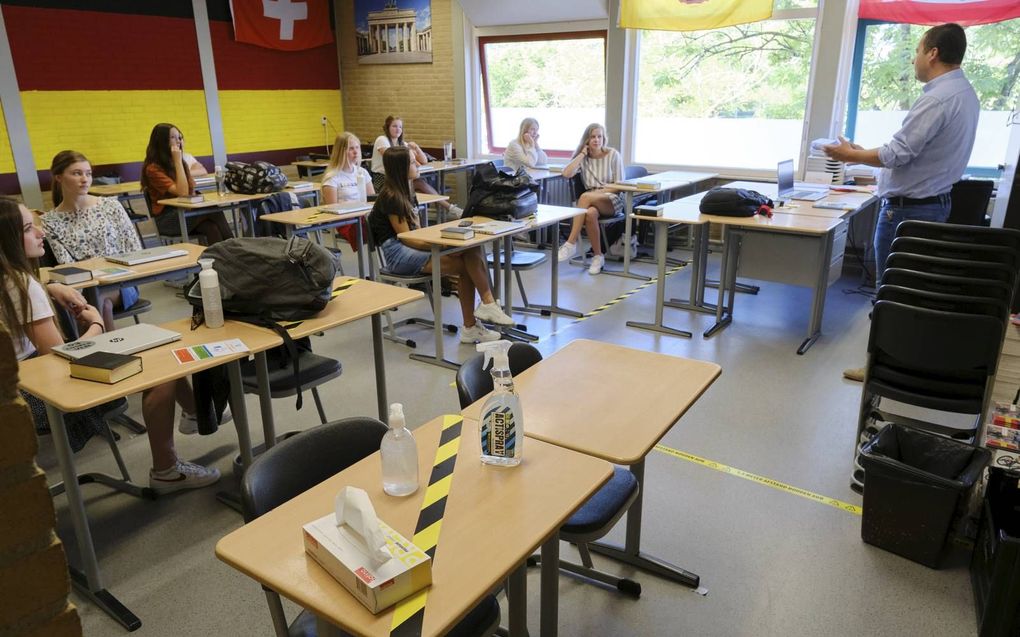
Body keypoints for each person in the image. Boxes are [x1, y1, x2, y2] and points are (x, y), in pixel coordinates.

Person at [1, 199, 219, 493]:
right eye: (29, 228)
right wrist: (97, 325)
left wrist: (52, 285)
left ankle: (196, 415)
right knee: (159, 368)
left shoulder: (13, 281)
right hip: (37, 395)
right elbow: (58, 360)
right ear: (8, 241)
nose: (40, 233)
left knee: (147, 343)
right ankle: (167, 468)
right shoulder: (23, 288)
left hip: (12, 388)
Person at [823, 23, 978, 382]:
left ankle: (881, 365)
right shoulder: (965, 94)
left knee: (891, 292)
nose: (914, 59)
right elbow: (916, 154)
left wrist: (851, 155)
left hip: (908, 210)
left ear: (933, 53)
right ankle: (904, 359)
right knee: (914, 291)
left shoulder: (937, 97)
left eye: (918, 50)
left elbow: (898, 154)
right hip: (934, 204)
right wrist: (863, 154)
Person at [368, 146, 513, 343]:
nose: (418, 164)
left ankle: (484, 308)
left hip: (411, 245)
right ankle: (476, 319)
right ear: (401, 168)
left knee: (470, 247)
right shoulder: (391, 196)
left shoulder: (408, 191)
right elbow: (407, 237)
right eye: (412, 162)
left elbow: (418, 231)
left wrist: (447, 243)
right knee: (465, 265)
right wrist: (442, 246)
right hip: (397, 253)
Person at [43, 150, 142, 331]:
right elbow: (67, 265)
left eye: (88, 173)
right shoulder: (50, 221)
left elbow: (134, 248)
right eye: (77, 173)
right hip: (82, 286)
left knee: (99, 301)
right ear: (58, 177)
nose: (85, 179)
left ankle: (112, 352)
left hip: (121, 282)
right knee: (87, 303)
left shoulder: (111, 206)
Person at [140, 123, 233, 244]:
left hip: (185, 210)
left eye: (179, 137)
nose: (178, 141)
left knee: (212, 227)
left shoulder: (180, 162)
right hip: (168, 218)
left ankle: (222, 259)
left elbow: (190, 190)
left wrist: (179, 162)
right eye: (173, 137)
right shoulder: (152, 168)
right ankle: (237, 251)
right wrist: (178, 161)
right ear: (162, 141)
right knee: (213, 210)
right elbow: (183, 193)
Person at [559, 123, 625, 275]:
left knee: (585, 197)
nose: (596, 140)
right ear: (587, 140)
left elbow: (620, 185)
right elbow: (566, 173)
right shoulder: (584, 158)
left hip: (612, 199)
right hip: (590, 201)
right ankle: (598, 256)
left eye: (599, 136)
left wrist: (600, 191)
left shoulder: (613, 154)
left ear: (604, 138)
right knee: (590, 214)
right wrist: (582, 154)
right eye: (593, 137)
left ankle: (571, 242)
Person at [370, 115, 464, 219]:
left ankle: (439, 214)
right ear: (387, 127)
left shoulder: (402, 143)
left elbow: (424, 161)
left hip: (400, 179)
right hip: (384, 180)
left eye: (400, 127)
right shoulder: (382, 140)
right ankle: (449, 208)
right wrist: (412, 159)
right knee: (419, 183)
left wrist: (416, 148)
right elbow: (393, 160)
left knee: (420, 184)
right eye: (394, 126)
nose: (398, 129)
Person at [322, 132, 375, 204]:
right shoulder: (332, 178)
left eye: (357, 147)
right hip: (345, 215)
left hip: (363, 214)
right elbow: (332, 209)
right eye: (351, 148)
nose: (356, 152)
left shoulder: (363, 172)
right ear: (341, 152)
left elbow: (372, 201)